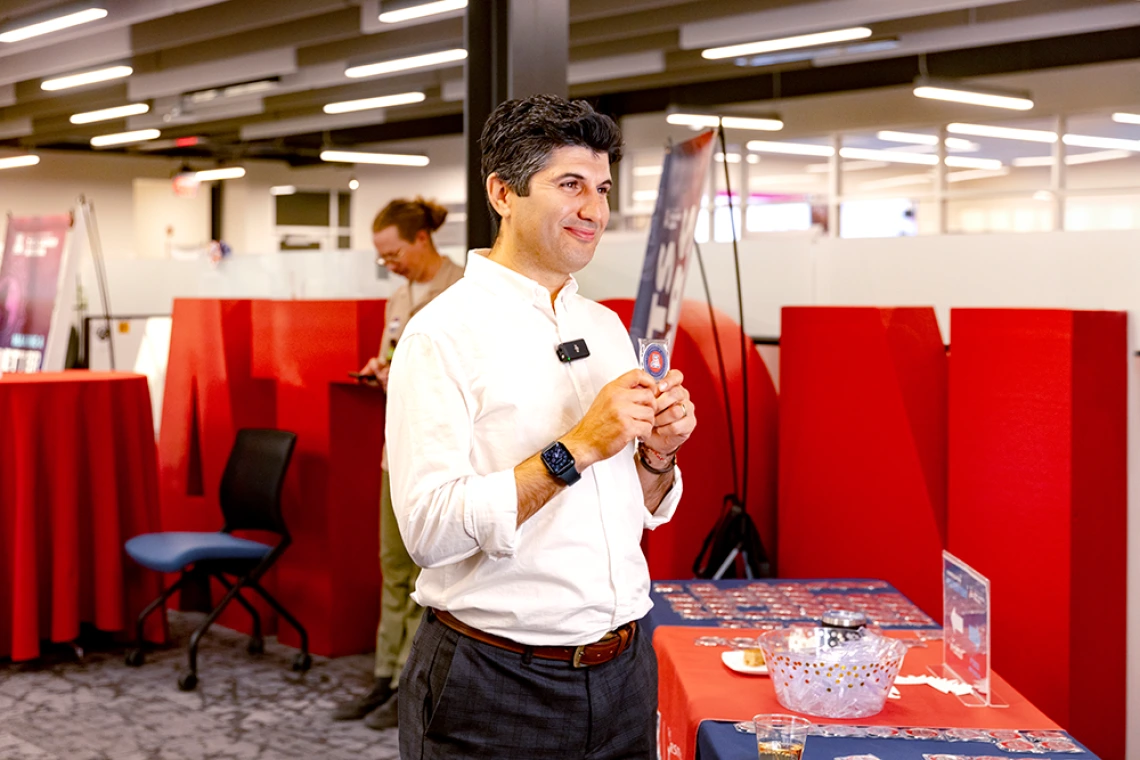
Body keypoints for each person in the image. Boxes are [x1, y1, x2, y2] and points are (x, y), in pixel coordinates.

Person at [387, 95, 697, 758]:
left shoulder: (606, 326)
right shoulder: (441, 335)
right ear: (503, 192)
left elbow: (625, 510)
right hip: (495, 684)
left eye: (604, 188)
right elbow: (429, 531)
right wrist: (579, 446)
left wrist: (657, 458)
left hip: (624, 671)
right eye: (570, 185)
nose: (595, 210)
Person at [331, 197, 464, 731]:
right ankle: (386, 675)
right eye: (381, 258)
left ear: (421, 241)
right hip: (397, 453)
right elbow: (398, 361)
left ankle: (414, 680)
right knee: (393, 568)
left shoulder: (462, 292)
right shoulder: (398, 298)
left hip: (443, 458)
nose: (390, 264)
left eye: (393, 254)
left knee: (424, 574)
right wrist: (382, 370)